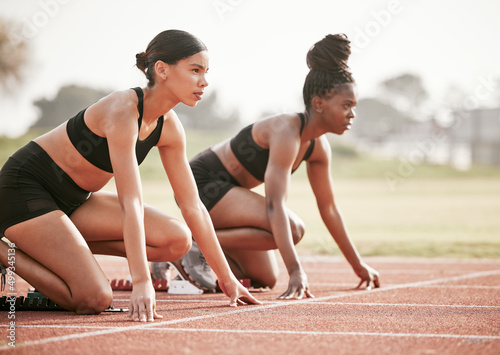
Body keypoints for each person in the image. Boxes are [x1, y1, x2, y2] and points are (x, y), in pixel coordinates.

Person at [0, 29, 260, 321]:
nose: (204, 81)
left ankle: (52, 247)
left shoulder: (169, 127)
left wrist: (227, 279)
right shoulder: (123, 111)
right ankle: (4, 251)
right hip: (26, 192)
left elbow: (192, 205)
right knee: (93, 297)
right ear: (161, 70)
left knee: (176, 240)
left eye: (206, 71)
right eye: (195, 70)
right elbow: (131, 203)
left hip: (75, 202)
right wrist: (141, 282)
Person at [152, 34, 380, 299]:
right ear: (318, 103)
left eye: (353, 106)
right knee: (293, 229)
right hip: (203, 184)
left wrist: (358, 265)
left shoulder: (318, 147)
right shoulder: (286, 131)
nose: (352, 114)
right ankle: (187, 244)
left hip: (231, 193)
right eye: (346, 105)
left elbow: (328, 208)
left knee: (264, 278)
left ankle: (183, 254)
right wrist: (296, 270)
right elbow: (274, 206)